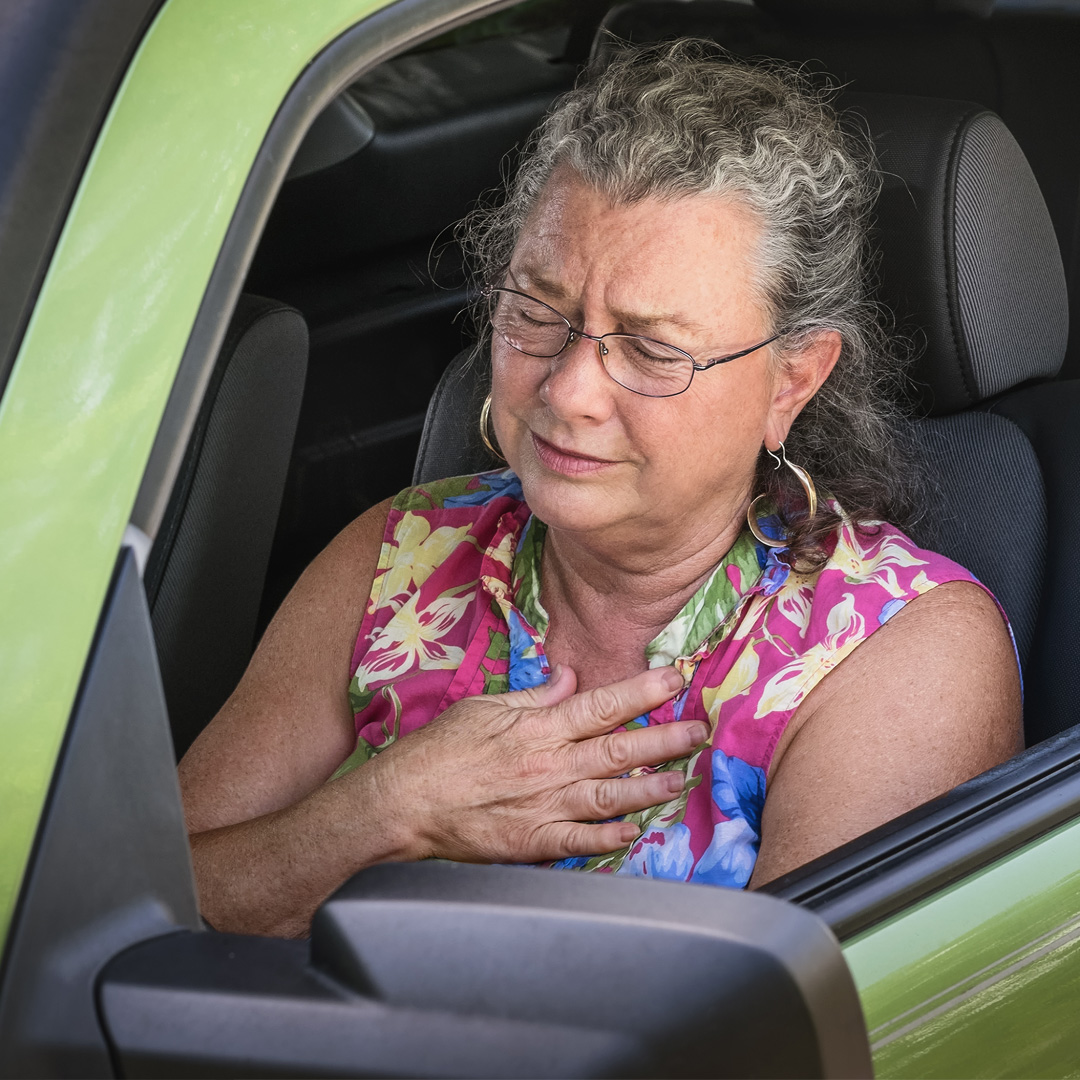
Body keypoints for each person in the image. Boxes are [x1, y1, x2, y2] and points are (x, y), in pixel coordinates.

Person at [179, 40, 1022, 938]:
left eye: (653, 350)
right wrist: (386, 810)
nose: (568, 391)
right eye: (538, 313)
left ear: (792, 381)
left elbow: (789, 1041)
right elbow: (124, 908)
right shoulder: (397, 555)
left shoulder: (894, 652)